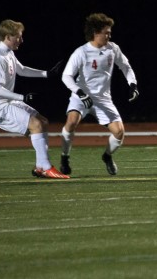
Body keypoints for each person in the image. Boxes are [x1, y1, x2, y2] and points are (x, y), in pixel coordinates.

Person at [0, 19, 68, 179]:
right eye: (19, 37)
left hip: (6, 101)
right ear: (8, 37)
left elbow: (21, 70)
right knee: (35, 125)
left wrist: (46, 74)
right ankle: (46, 167)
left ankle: (41, 167)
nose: (22, 40)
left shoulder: (8, 53)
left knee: (43, 122)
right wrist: (23, 97)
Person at [59, 13, 139, 176]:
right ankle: (64, 157)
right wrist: (80, 92)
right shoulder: (81, 52)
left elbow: (126, 67)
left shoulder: (113, 48)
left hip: (103, 99)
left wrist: (133, 84)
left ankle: (107, 156)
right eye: (106, 33)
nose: (109, 36)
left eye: (110, 32)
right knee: (71, 122)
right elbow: (66, 76)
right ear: (95, 33)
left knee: (119, 132)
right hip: (81, 97)